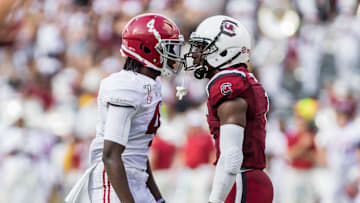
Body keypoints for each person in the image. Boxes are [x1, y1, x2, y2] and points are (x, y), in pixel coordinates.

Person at [65, 13, 185, 203]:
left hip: (136, 179)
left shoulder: (151, 85)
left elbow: (139, 152)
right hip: (112, 182)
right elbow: (111, 155)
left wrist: (158, 197)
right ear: (146, 49)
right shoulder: (126, 86)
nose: (174, 55)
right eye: (168, 48)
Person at [184, 15, 273, 203]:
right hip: (249, 180)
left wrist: (214, 201)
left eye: (202, 48)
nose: (194, 55)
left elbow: (232, 157)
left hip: (242, 180)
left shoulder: (229, 85)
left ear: (224, 52)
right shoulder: (242, 79)